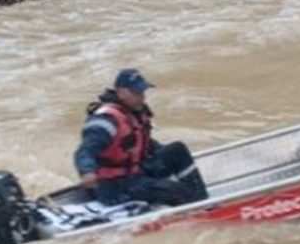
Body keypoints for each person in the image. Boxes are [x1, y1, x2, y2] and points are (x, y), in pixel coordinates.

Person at [73, 68, 209, 206]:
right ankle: (194, 208)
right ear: (121, 93)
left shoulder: (133, 113)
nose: (141, 97)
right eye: (136, 93)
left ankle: (202, 202)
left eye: (142, 92)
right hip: (114, 186)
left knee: (177, 150)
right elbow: (85, 151)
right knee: (173, 190)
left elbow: (143, 145)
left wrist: (166, 155)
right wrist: (87, 171)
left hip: (136, 172)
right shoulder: (105, 120)